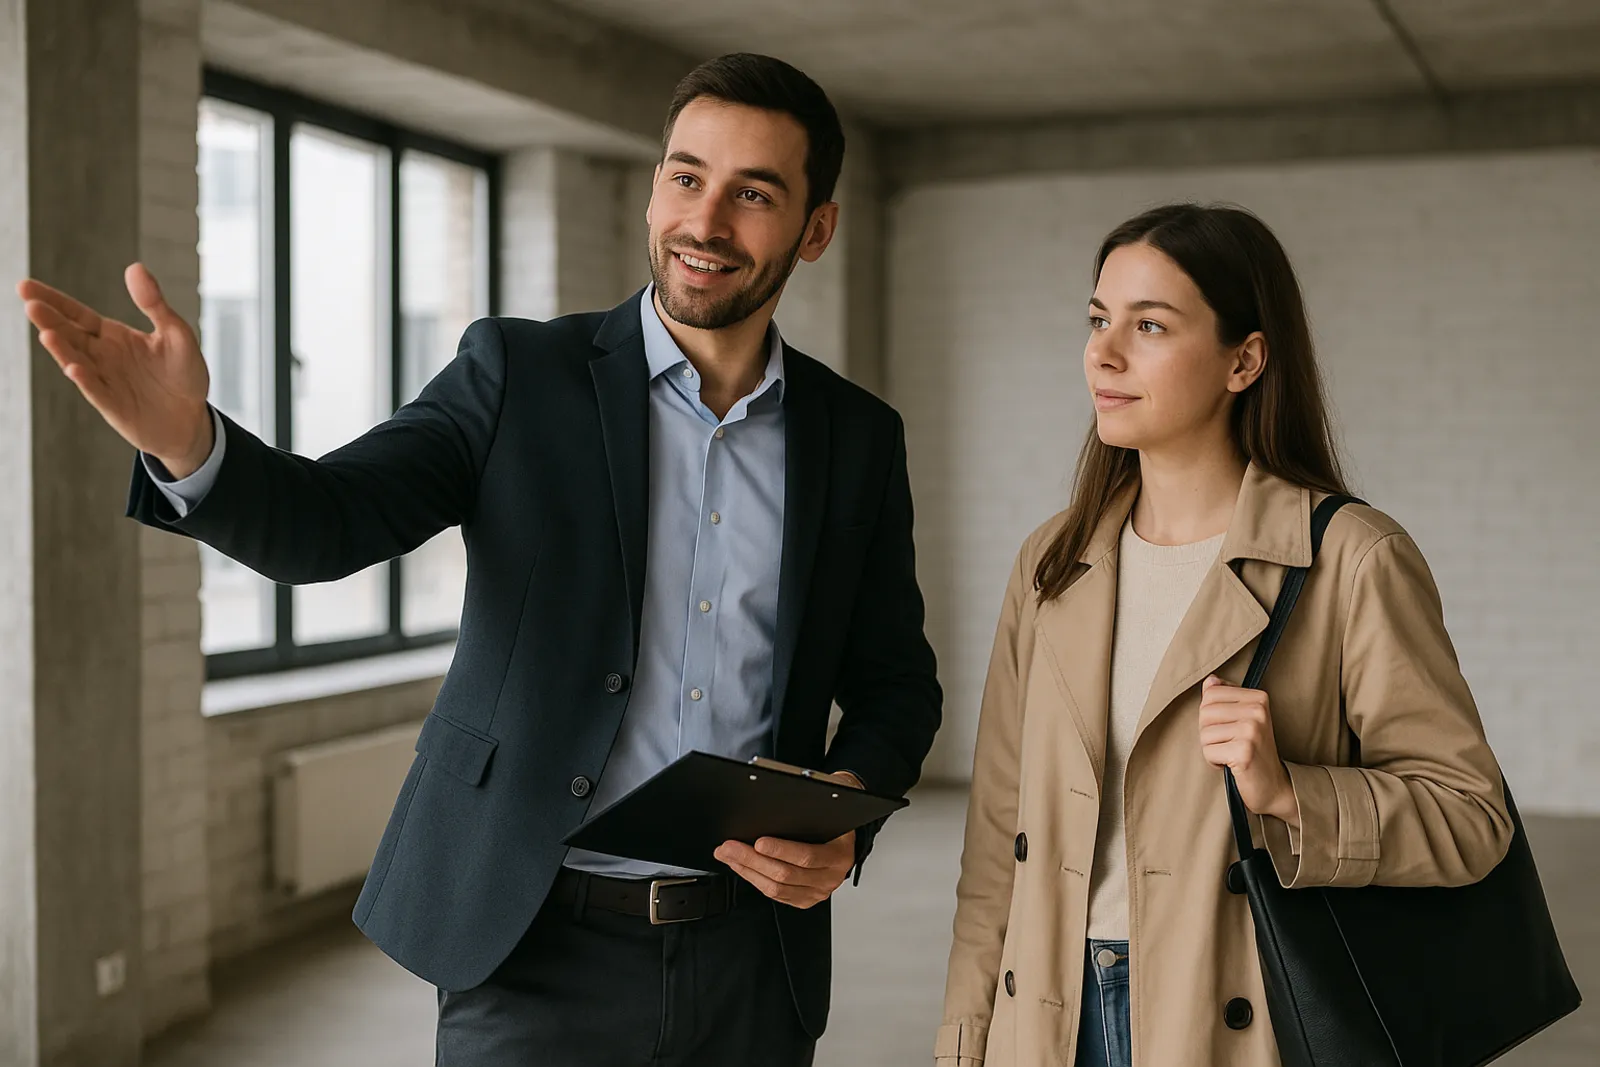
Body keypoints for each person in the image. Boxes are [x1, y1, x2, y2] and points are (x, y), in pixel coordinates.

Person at [19, 52, 942, 1067]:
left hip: (751, 959)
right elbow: (329, 522)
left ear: (816, 228)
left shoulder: (857, 439)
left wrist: (845, 809)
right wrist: (190, 444)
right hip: (530, 943)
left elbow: (897, 683)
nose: (706, 221)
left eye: (753, 194)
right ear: (654, 189)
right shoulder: (519, 375)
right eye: (687, 177)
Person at [935, 203, 1512, 1067]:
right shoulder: (1053, 562)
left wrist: (1291, 793)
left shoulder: (1351, 558)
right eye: (1097, 319)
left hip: (1232, 1024)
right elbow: (996, 846)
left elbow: (1471, 817)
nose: (1104, 352)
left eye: (1149, 325)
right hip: (1047, 1018)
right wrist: (965, 1041)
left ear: (1245, 360)